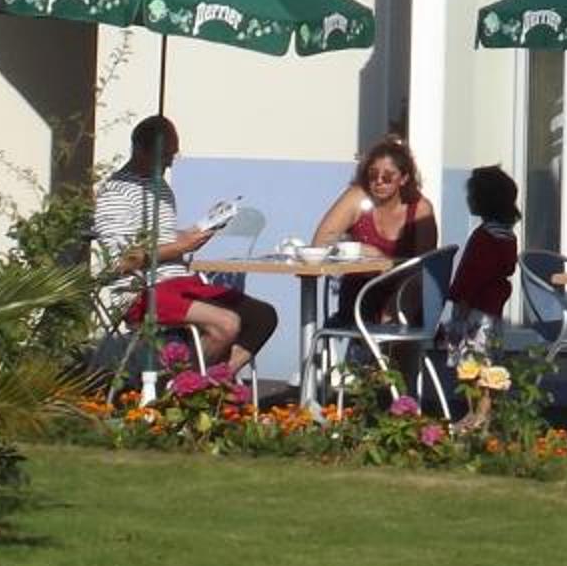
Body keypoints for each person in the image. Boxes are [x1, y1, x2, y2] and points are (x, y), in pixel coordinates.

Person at [92, 115, 276, 375]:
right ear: (140, 150)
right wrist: (181, 247)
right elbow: (119, 261)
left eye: (173, 155)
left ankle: (216, 379)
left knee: (262, 316)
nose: (169, 162)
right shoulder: (116, 194)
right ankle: (184, 386)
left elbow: (162, 238)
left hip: (180, 282)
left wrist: (198, 230)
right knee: (226, 324)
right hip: (140, 292)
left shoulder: (159, 187)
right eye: (164, 155)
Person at [312, 136, 443, 327]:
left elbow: (425, 268)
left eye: (387, 177)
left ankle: (385, 340)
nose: (379, 181)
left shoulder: (419, 209)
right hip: (360, 294)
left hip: (404, 295)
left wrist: (385, 264)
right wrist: (360, 249)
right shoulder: (358, 197)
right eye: (373, 175)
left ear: (404, 179)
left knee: (412, 288)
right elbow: (320, 243)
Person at [441, 164, 521, 352]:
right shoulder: (507, 235)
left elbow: (473, 274)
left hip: (473, 307)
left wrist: (462, 302)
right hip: (493, 307)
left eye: (472, 194)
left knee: (469, 357)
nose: (468, 198)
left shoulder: (484, 236)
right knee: (489, 354)